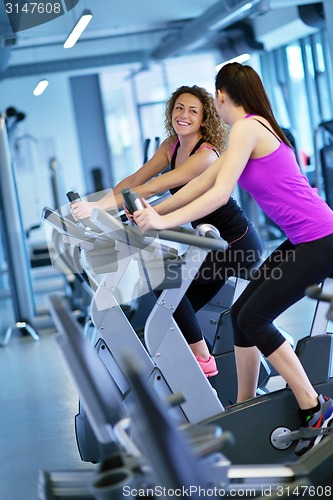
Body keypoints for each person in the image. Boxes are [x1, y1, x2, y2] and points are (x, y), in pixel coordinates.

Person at [133, 62, 333, 456]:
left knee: (255, 319)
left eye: (215, 102)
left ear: (222, 97)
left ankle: (315, 406)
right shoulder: (252, 129)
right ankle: (245, 406)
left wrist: (162, 218)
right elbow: (203, 183)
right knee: (242, 313)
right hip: (304, 238)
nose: (216, 111)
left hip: (321, 239)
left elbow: (219, 194)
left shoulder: (247, 128)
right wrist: (155, 214)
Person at [71, 84, 263, 378]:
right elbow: (136, 179)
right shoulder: (171, 146)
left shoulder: (206, 155)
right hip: (209, 243)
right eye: (179, 108)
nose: (183, 115)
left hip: (235, 245)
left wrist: (101, 208)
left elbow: (153, 187)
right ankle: (185, 368)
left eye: (193, 111)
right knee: (167, 310)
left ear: (204, 119)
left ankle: (203, 359)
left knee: (165, 279)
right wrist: (95, 203)